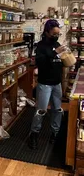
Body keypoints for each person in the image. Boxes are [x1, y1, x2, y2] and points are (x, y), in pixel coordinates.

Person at [29, 19, 65, 150]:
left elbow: (60, 62)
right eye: (54, 34)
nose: (56, 36)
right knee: (41, 110)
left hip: (57, 83)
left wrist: (65, 55)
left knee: (57, 109)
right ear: (47, 32)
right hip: (45, 84)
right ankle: (34, 134)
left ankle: (55, 133)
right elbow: (41, 62)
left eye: (58, 34)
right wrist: (55, 52)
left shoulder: (57, 44)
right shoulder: (41, 46)